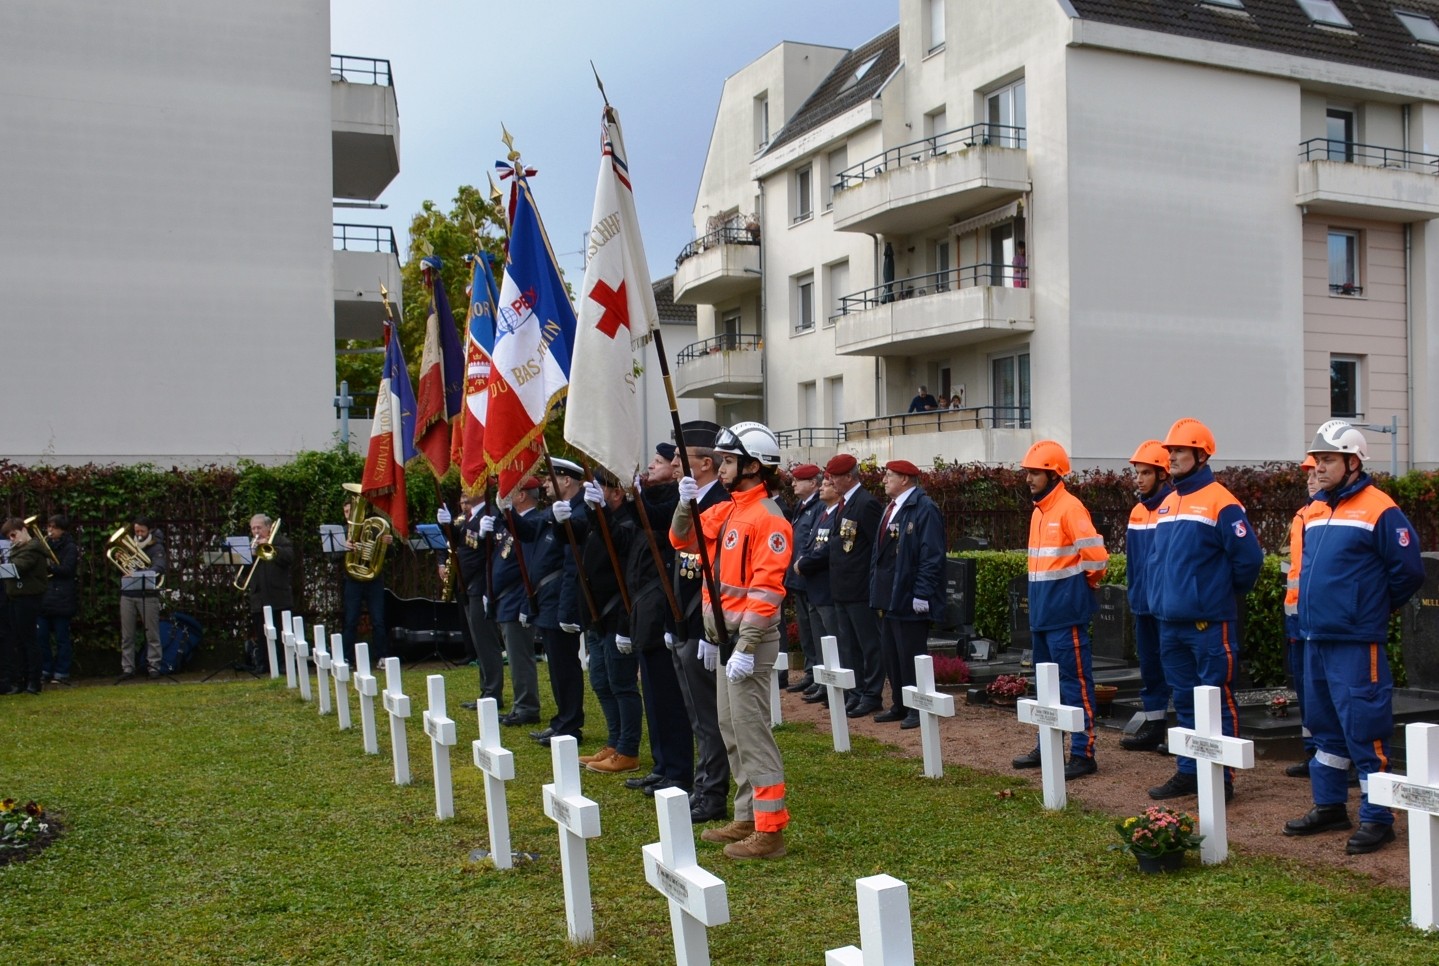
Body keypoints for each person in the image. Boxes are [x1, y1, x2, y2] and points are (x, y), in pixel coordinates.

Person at [1283, 421, 1423, 855]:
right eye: (1317, 459)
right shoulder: (1316, 510)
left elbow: (1409, 571)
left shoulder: (1380, 508)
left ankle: (1379, 818)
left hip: (1356, 641)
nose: (1318, 467)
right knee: (1325, 730)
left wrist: (1369, 609)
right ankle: (1329, 806)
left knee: (1365, 729)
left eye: (1327, 460)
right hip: (1315, 638)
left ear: (1352, 461)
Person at [672, 420, 793, 860]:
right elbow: (682, 539)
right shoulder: (732, 510)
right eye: (721, 459)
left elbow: (767, 591)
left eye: (728, 460)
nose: (721, 467)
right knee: (731, 730)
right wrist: (685, 503)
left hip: (750, 644)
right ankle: (745, 815)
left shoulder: (767, 518)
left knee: (752, 733)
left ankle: (770, 830)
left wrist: (744, 648)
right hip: (726, 641)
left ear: (754, 467)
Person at [1147, 418, 1262, 802]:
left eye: (1179, 450)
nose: (1172, 457)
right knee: (1183, 699)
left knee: (1215, 698)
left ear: (1200, 454)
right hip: (1170, 623)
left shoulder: (1222, 501)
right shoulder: (1167, 502)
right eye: (1169, 451)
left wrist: (1215, 596)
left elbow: (1248, 561)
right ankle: (1188, 771)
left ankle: (1221, 778)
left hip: (1208, 623)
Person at [1009, 441, 1107, 780]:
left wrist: (1082, 588)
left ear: (1053, 474)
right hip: (1043, 616)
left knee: (1075, 684)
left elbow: (1097, 559)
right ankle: (1046, 742)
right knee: (1045, 686)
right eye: (1028, 473)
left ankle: (1083, 753)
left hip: (1066, 615)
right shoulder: (1040, 511)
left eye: (1035, 473)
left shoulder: (1070, 508)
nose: (1029, 479)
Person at [667, 421, 733, 823]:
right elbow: (680, 559)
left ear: (705, 463)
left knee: (710, 719)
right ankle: (702, 784)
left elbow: (722, 574)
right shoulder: (690, 502)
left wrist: (710, 632)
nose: (674, 464)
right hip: (684, 624)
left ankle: (712, 794)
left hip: (705, 627)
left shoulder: (722, 504)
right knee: (697, 716)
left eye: (681, 457)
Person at [623, 443, 696, 797]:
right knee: (653, 693)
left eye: (660, 462)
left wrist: (635, 495)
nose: (653, 467)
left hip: (665, 605)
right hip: (647, 608)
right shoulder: (659, 495)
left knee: (668, 696)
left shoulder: (677, 498)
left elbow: (654, 518)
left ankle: (678, 769)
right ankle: (662, 765)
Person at [572, 472, 643, 775]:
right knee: (601, 680)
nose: (594, 492)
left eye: (601, 488)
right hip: (596, 617)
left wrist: (597, 512)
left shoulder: (626, 522)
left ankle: (628, 749)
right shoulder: (599, 519)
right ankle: (614, 743)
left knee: (622, 683)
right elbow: (575, 538)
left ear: (616, 494)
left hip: (617, 617)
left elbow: (616, 542)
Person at [868, 460, 946, 729]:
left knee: (911, 654)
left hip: (909, 594)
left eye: (889, 476)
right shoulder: (891, 508)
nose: (884, 480)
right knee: (892, 653)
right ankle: (900, 704)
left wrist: (922, 592)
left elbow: (931, 555)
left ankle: (918, 705)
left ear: (905, 479)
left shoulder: (924, 508)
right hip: (889, 595)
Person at [520, 458, 589, 749]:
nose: (546, 483)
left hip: (562, 599)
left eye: (551, 478)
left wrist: (567, 610)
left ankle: (570, 724)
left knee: (565, 667)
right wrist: (507, 512)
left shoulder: (580, 511)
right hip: (546, 600)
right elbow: (527, 530)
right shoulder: (553, 511)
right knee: (556, 667)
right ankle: (562, 720)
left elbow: (573, 566)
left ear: (567, 481)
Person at [817, 452, 883, 717]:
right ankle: (856, 692)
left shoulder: (865, 503)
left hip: (859, 588)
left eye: (833, 477)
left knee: (869, 644)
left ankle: (872, 694)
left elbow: (875, 548)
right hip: (842, 587)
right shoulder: (845, 503)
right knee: (849, 646)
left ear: (848, 477)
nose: (830, 482)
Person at [1119, 441, 1174, 752]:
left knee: (1174, 669)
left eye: (1145, 473)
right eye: (1137, 473)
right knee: (1150, 668)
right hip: (1142, 603)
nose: (1138, 479)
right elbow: (1132, 560)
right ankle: (1154, 727)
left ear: (1162, 474)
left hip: (1166, 606)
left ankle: (1180, 733)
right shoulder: (1138, 511)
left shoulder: (1174, 506)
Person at [1282, 455, 1321, 778]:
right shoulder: (1302, 515)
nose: (1310, 479)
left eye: (1315, 473)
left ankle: (1335, 754)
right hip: (1297, 619)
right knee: (1306, 690)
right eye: (1307, 474)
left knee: (1324, 691)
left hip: (1319, 620)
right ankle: (1313, 751)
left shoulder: (1323, 517)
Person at [797, 473, 842, 703]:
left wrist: (804, 563)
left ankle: (834, 686)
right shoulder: (822, 513)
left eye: (827, 485)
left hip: (827, 587)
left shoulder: (838, 515)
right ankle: (823, 683)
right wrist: (803, 559)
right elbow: (809, 542)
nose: (822, 489)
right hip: (813, 586)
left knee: (832, 639)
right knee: (819, 639)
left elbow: (828, 550)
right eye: (822, 484)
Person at [783, 463, 825, 694]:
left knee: (817, 629)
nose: (793, 484)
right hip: (798, 578)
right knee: (805, 629)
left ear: (813, 483)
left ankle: (820, 673)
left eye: (798, 480)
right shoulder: (801, 505)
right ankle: (811, 671)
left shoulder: (819, 506)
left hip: (811, 577)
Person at [341, 491, 389, 666]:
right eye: (346, 512)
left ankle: (382, 657)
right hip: (352, 581)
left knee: (378, 619)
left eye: (352, 510)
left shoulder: (374, 528)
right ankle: (347, 657)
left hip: (373, 580)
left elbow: (384, 555)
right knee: (351, 619)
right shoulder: (342, 533)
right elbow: (331, 558)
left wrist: (386, 542)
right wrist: (342, 548)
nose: (350, 514)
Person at [2, 517, 49, 694]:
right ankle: (21, 680)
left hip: (28, 598)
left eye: (13, 535)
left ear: (23, 530)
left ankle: (34, 681)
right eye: (9, 537)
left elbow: (20, 567)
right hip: (15, 598)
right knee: (18, 640)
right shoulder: (19, 549)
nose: (12, 540)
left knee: (29, 640)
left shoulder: (33, 549)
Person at [120, 516, 168, 679]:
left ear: (149, 530)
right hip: (128, 594)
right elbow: (123, 566)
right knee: (127, 635)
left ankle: (154, 666)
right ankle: (127, 668)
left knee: (152, 633)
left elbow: (159, 567)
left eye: (142, 531)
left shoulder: (156, 547)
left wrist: (136, 573)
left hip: (148, 594)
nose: (139, 534)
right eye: (136, 531)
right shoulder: (129, 545)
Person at [244, 514, 292, 659]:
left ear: (268, 528)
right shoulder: (250, 546)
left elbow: (289, 559)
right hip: (259, 597)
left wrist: (270, 546)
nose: (256, 531)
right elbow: (243, 573)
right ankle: (264, 664)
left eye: (259, 527)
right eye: (253, 528)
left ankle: (284, 663)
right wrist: (250, 556)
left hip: (278, 596)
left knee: (282, 632)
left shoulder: (281, 541)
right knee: (261, 632)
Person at [38, 514, 79, 684]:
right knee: (41, 637)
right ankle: (45, 669)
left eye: (53, 527)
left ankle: (62, 671)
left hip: (62, 597)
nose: (50, 530)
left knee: (62, 638)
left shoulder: (70, 547)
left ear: (62, 529)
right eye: (48, 527)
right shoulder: (44, 545)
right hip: (45, 597)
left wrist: (51, 567)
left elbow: (68, 569)